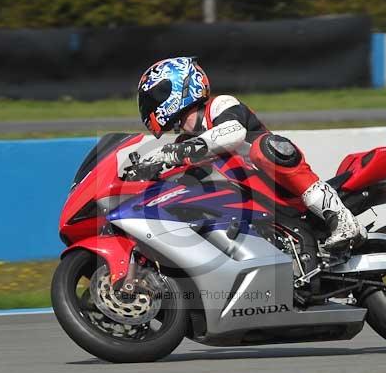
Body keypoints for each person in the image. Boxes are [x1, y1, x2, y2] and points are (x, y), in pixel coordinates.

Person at [136, 56, 366, 250]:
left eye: (154, 98)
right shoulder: (184, 142)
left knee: (265, 149)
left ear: (176, 87)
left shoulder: (220, 105)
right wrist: (147, 171)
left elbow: (233, 133)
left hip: (279, 185)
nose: (150, 107)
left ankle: (341, 219)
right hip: (248, 201)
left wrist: (173, 153)